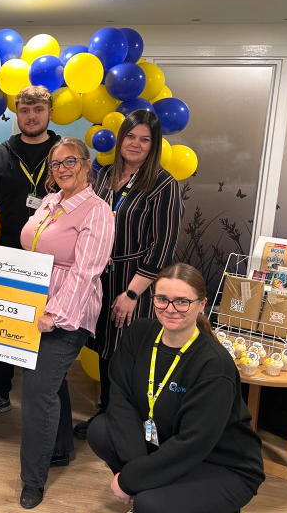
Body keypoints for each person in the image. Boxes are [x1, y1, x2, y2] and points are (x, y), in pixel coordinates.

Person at [87, 263, 264, 513]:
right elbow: (121, 399)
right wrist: (137, 475)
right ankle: (157, 490)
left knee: (150, 505)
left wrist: (130, 480)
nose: (170, 309)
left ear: (202, 304)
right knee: (101, 430)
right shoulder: (139, 333)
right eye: (162, 299)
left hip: (222, 462)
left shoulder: (214, 365)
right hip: (166, 442)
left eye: (182, 301)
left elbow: (193, 441)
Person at [74, 109, 183, 439]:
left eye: (145, 139)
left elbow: (161, 247)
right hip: (100, 277)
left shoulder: (163, 185)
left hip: (135, 283)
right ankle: (106, 416)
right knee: (105, 351)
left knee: (129, 358)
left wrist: (133, 294)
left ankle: (130, 430)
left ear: (154, 145)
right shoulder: (104, 175)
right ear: (121, 139)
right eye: (131, 136)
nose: (136, 144)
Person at [18, 138, 115, 509]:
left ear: (87, 165)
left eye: (70, 161)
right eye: (55, 164)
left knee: (37, 390)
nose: (62, 169)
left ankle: (33, 479)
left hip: (68, 313)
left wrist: (53, 314)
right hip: (35, 304)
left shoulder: (96, 210)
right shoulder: (50, 202)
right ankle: (59, 449)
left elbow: (86, 272)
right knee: (50, 383)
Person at [0, 85, 60, 421]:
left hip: (55, 262)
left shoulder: (64, 154)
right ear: (16, 114)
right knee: (2, 327)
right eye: (24, 110)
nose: (31, 116)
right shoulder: (0, 155)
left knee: (50, 332)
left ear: (49, 113)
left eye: (38, 110)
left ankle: (44, 401)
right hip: (7, 257)